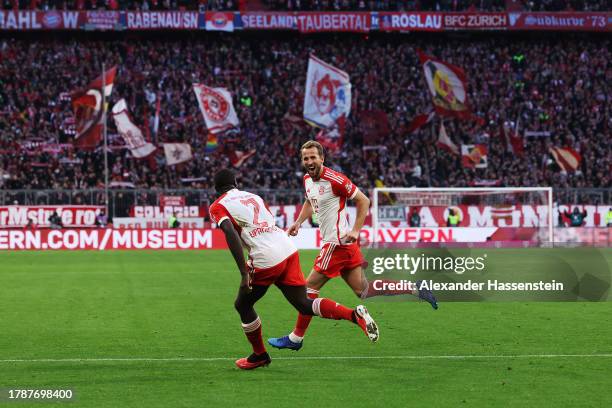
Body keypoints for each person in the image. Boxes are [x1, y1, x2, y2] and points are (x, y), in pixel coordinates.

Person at [269, 141, 437, 352]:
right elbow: (309, 201)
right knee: (363, 290)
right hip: (346, 247)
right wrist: (298, 222)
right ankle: (415, 288)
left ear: (322, 158)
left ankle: (298, 337)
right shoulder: (307, 180)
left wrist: (356, 230)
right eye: (306, 158)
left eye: (313, 157)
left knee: (306, 292)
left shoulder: (335, 180)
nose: (309, 162)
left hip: (336, 244)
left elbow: (364, 200)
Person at [209, 169, 379, 370]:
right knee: (303, 303)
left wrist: (244, 273)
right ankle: (354, 315)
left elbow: (230, 232)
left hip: (265, 258)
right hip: (287, 248)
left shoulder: (217, 205)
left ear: (216, 189)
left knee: (243, 305)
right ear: (236, 183)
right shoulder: (254, 196)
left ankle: (259, 354)